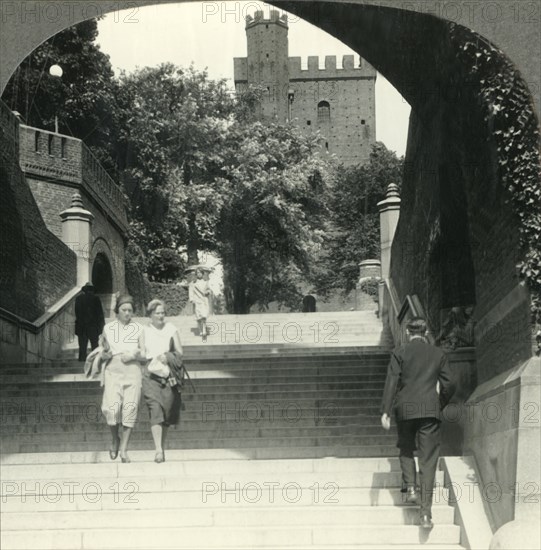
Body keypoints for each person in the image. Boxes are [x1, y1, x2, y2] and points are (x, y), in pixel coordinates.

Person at [380, 316, 456, 529]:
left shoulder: (399, 352)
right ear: (426, 332)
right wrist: (438, 403)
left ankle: (410, 489)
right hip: (429, 411)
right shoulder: (438, 354)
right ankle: (425, 515)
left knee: (405, 448)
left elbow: (391, 381)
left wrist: (385, 410)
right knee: (428, 461)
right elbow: (450, 384)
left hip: (404, 409)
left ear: (407, 332)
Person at [100, 294, 145, 463]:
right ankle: (115, 439)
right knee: (111, 409)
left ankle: (124, 448)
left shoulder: (139, 329)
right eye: (124, 310)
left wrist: (134, 354)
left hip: (133, 371)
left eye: (130, 310)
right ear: (117, 311)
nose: (127, 313)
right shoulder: (108, 328)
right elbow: (102, 351)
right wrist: (105, 354)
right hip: (113, 370)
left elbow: (145, 353)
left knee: (130, 408)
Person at [142, 299, 183, 463]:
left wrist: (167, 356)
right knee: (155, 409)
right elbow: (141, 351)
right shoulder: (144, 330)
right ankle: (158, 450)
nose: (160, 316)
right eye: (157, 313)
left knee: (166, 412)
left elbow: (180, 352)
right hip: (150, 375)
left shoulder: (171, 329)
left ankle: (162, 447)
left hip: (168, 375)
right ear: (150, 315)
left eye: (163, 313)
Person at [75, 282, 105, 362]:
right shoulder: (96, 299)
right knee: (95, 347)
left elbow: (77, 313)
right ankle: (95, 363)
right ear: (92, 290)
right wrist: (102, 328)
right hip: (93, 327)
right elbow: (100, 314)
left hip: (81, 327)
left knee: (82, 347)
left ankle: (81, 364)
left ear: (84, 290)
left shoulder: (78, 299)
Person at [189, 268, 211, 342]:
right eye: (197, 273)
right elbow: (191, 292)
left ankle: (204, 330)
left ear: (202, 273)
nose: (199, 274)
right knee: (198, 317)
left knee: (204, 316)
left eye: (200, 272)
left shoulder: (206, 282)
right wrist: (192, 299)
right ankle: (200, 330)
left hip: (204, 301)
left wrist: (207, 292)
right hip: (197, 301)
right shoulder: (193, 283)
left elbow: (209, 289)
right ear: (196, 274)